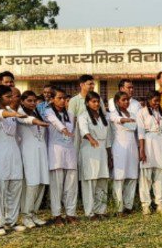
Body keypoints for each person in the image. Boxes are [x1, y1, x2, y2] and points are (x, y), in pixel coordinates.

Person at [0, 85, 33, 235]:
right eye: (7, 96)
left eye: (11, 96)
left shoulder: (13, 112)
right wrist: (14, 114)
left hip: (14, 151)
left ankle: (11, 221)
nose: (11, 99)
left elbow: (27, 119)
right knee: (0, 188)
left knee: (16, 185)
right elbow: (0, 113)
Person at [43, 87, 78, 226]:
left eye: (64, 98)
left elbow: (72, 131)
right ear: (52, 99)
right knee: (56, 187)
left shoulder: (70, 114)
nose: (63, 101)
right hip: (55, 152)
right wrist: (63, 129)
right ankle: (57, 215)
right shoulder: (47, 112)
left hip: (70, 151)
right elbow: (56, 122)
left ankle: (70, 213)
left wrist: (67, 132)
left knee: (71, 185)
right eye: (59, 98)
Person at [17, 91, 51, 228]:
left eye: (34, 101)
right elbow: (27, 120)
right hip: (28, 152)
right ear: (22, 101)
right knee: (31, 184)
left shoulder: (37, 113)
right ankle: (26, 215)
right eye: (29, 101)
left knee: (42, 182)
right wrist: (38, 122)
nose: (32, 103)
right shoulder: (20, 113)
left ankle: (34, 213)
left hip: (41, 151)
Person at [78, 92, 112, 220]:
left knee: (102, 180)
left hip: (102, 150)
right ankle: (90, 212)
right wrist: (91, 139)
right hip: (90, 149)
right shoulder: (83, 116)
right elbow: (84, 130)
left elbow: (108, 138)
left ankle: (101, 210)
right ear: (87, 103)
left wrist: (109, 156)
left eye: (98, 101)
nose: (96, 104)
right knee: (90, 181)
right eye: (93, 101)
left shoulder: (104, 117)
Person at [137, 90, 162, 215]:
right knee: (146, 175)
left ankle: (159, 203)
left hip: (160, 143)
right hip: (148, 143)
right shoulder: (141, 112)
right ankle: (145, 204)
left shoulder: (161, 113)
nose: (157, 103)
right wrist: (142, 150)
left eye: (158, 101)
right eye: (155, 101)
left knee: (160, 173)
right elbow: (140, 133)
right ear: (149, 100)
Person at [110, 91, 139, 216]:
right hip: (119, 148)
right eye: (123, 100)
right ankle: (119, 208)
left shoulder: (133, 114)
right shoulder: (113, 113)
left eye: (127, 99)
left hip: (132, 147)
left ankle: (128, 206)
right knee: (119, 178)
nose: (126, 102)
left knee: (132, 177)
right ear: (117, 102)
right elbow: (117, 119)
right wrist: (125, 119)